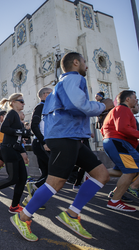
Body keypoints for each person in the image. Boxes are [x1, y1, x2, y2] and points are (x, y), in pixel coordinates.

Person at [12, 52, 110, 241]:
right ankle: (22, 217)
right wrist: (103, 106)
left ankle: (71, 214)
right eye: (84, 61)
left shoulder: (60, 86)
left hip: (71, 137)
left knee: (101, 175)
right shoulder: (73, 79)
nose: (86, 66)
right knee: (55, 183)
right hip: (65, 138)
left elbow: (59, 115)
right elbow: (77, 105)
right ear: (75, 62)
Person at [102, 90, 139, 212]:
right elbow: (122, 127)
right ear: (127, 99)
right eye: (135, 97)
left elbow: (103, 130)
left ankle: (93, 173)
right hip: (119, 143)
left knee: (123, 170)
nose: (136, 100)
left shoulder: (117, 110)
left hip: (116, 142)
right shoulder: (123, 109)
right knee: (131, 171)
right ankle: (116, 200)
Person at [23, 87, 52, 206]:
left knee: (46, 172)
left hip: (45, 143)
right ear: (45, 95)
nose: (53, 95)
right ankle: (33, 189)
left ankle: (33, 198)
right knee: (52, 171)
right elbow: (34, 126)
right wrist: (44, 142)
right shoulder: (40, 107)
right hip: (41, 144)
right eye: (51, 93)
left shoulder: (49, 107)